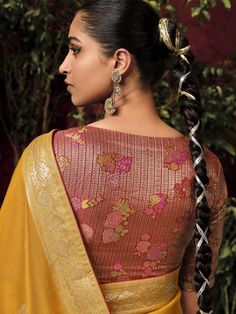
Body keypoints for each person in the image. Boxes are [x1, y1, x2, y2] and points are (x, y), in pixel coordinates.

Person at [0, 0, 228, 313]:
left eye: (76, 49)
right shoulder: (205, 168)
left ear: (120, 61)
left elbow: (12, 284)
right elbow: (195, 298)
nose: (63, 66)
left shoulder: (48, 158)